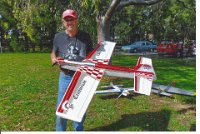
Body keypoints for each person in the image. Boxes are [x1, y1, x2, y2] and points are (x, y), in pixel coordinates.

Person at [51, 9, 93, 131]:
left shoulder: (85, 37)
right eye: (67, 20)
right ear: (63, 22)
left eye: (72, 19)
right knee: (61, 111)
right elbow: (53, 52)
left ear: (76, 21)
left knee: (79, 110)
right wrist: (54, 58)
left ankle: (78, 130)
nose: (70, 22)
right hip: (65, 77)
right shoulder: (58, 37)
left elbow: (91, 56)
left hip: (82, 77)